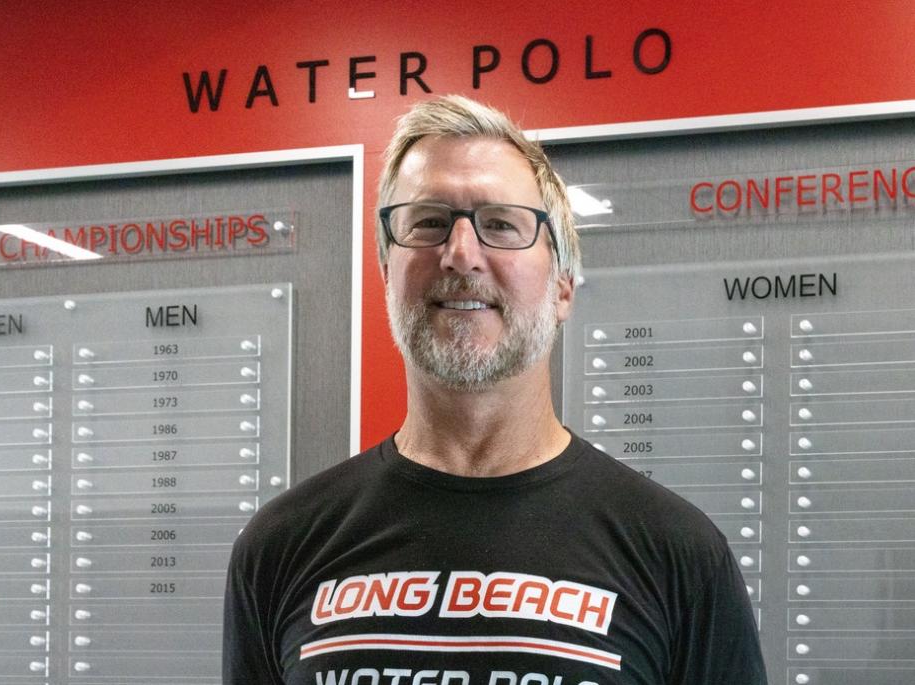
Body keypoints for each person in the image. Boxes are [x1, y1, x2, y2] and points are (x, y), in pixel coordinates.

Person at [223, 95, 767, 685]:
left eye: (501, 225)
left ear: (562, 287)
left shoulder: (678, 556)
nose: (460, 254)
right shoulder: (278, 548)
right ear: (387, 276)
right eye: (428, 222)